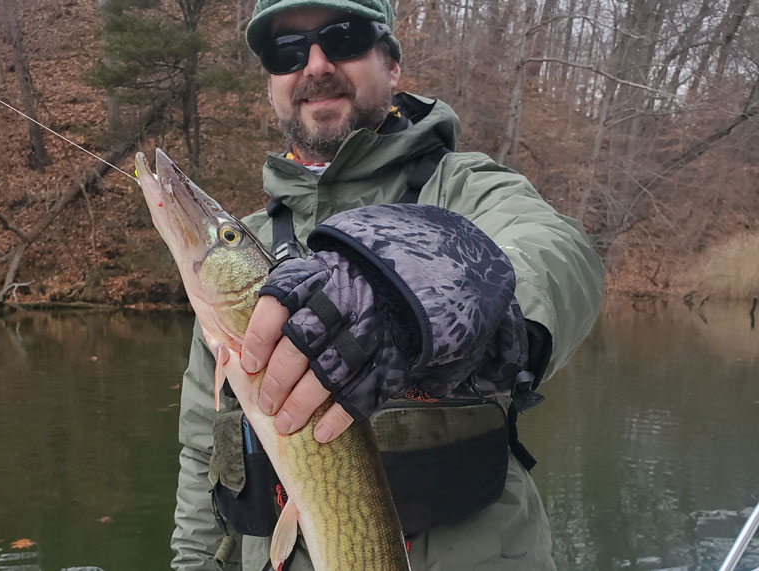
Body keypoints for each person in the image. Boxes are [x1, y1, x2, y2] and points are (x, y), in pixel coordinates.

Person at [170, 0, 605, 569]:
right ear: (272, 83)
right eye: (287, 50)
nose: (316, 65)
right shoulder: (245, 250)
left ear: (392, 65)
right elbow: (205, 449)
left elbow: (562, 254)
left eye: (344, 38)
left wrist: (417, 297)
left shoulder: (463, 189)